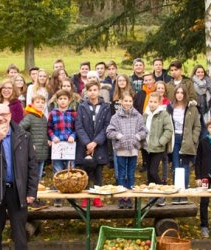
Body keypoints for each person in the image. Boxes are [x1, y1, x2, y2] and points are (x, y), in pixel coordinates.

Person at [0, 104, 39, 250]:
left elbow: (32, 166)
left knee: (20, 235)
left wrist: (31, 191)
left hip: (17, 191)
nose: (1, 118)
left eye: (4, 114)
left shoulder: (24, 135)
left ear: (10, 115)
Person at [106, 93, 147, 209]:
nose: (128, 103)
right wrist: (119, 136)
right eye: (126, 101)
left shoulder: (138, 116)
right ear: (121, 102)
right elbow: (109, 132)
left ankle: (129, 197)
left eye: (130, 101)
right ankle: (121, 197)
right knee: (121, 174)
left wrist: (137, 137)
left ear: (132, 102)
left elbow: (144, 131)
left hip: (133, 149)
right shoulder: (116, 117)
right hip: (121, 149)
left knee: (130, 174)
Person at [76, 80, 112, 208]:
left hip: (99, 145)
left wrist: (96, 142)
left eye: (95, 90)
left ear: (99, 90)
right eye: (90, 90)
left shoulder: (106, 107)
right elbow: (79, 126)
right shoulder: (81, 106)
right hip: (84, 145)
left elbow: (107, 126)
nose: (92, 92)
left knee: (98, 173)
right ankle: (85, 197)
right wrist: (87, 143)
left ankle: (97, 197)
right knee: (85, 173)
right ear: (86, 91)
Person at [166, 87, 201, 205]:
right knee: (176, 167)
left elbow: (197, 126)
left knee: (185, 167)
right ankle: (177, 195)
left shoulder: (192, 108)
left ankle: (184, 194)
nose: (180, 95)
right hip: (174, 139)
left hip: (187, 139)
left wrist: (193, 139)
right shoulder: (170, 107)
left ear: (185, 94)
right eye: (178, 92)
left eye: (182, 93)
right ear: (175, 94)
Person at [142, 92, 174, 206]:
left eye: (155, 102)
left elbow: (169, 130)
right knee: (149, 175)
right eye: (150, 101)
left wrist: (161, 142)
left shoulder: (163, 114)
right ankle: (152, 197)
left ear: (159, 102)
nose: (152, 104)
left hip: (158, 148)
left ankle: (161, 193)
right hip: (146, 147)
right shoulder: (145, 114)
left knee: (153, 171)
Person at [47, 89, 77, 207]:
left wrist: (73, 136)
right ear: (57, 100)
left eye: (65, 99)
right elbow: (49, 128)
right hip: (57, 147)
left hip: (70, 147)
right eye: (60, 99)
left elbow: (76, 128)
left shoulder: (73, 113)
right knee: (58, 170)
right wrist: (53, 136)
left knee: (71, 171)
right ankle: (58, 197)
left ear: (69, 100)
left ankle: (72, 198)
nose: (63, 101)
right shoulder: (53, 114)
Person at [20, 95, 50, 211]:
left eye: (42, 102)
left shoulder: (43, 118)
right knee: (32, 177)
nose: (40, 104)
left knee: (37, 177)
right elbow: (20, 129)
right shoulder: (29, 117)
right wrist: (28, 143)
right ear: (32, 103)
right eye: (38, 102)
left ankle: (35, 198)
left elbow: (43, 133)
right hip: (32, 153)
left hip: (42, 151)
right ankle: (29, 199)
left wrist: (47, 140)